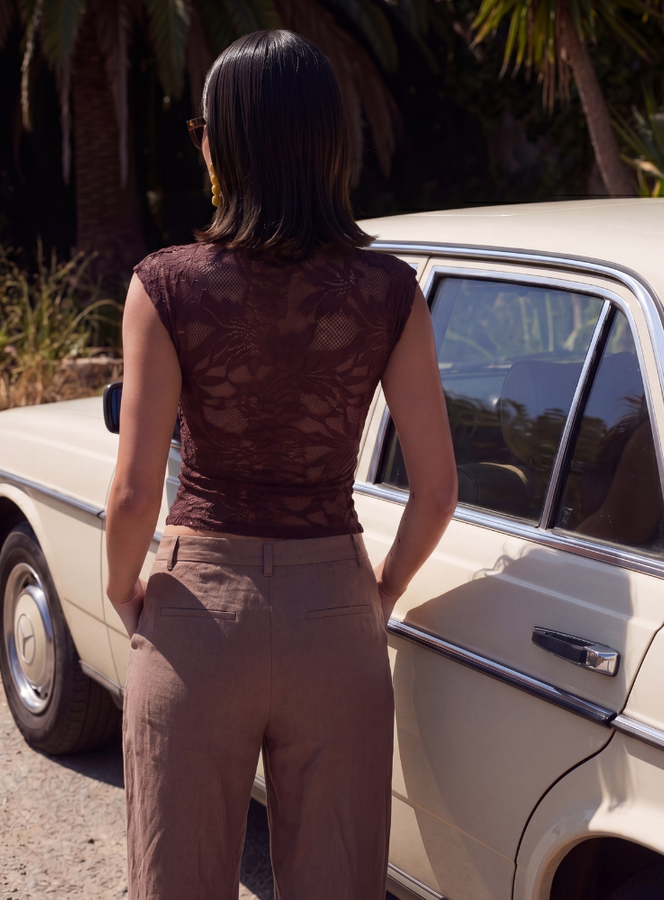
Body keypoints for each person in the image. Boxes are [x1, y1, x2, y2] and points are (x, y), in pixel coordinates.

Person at [104, 29, 457, 900]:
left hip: (197, 616)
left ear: (225, 146)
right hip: (336, 619)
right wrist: (378, 595)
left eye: (203, 131)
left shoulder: (166, 285)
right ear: (328, 145)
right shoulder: (390, 292)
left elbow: (135, 492)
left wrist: (124, 591)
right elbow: (438, 491)